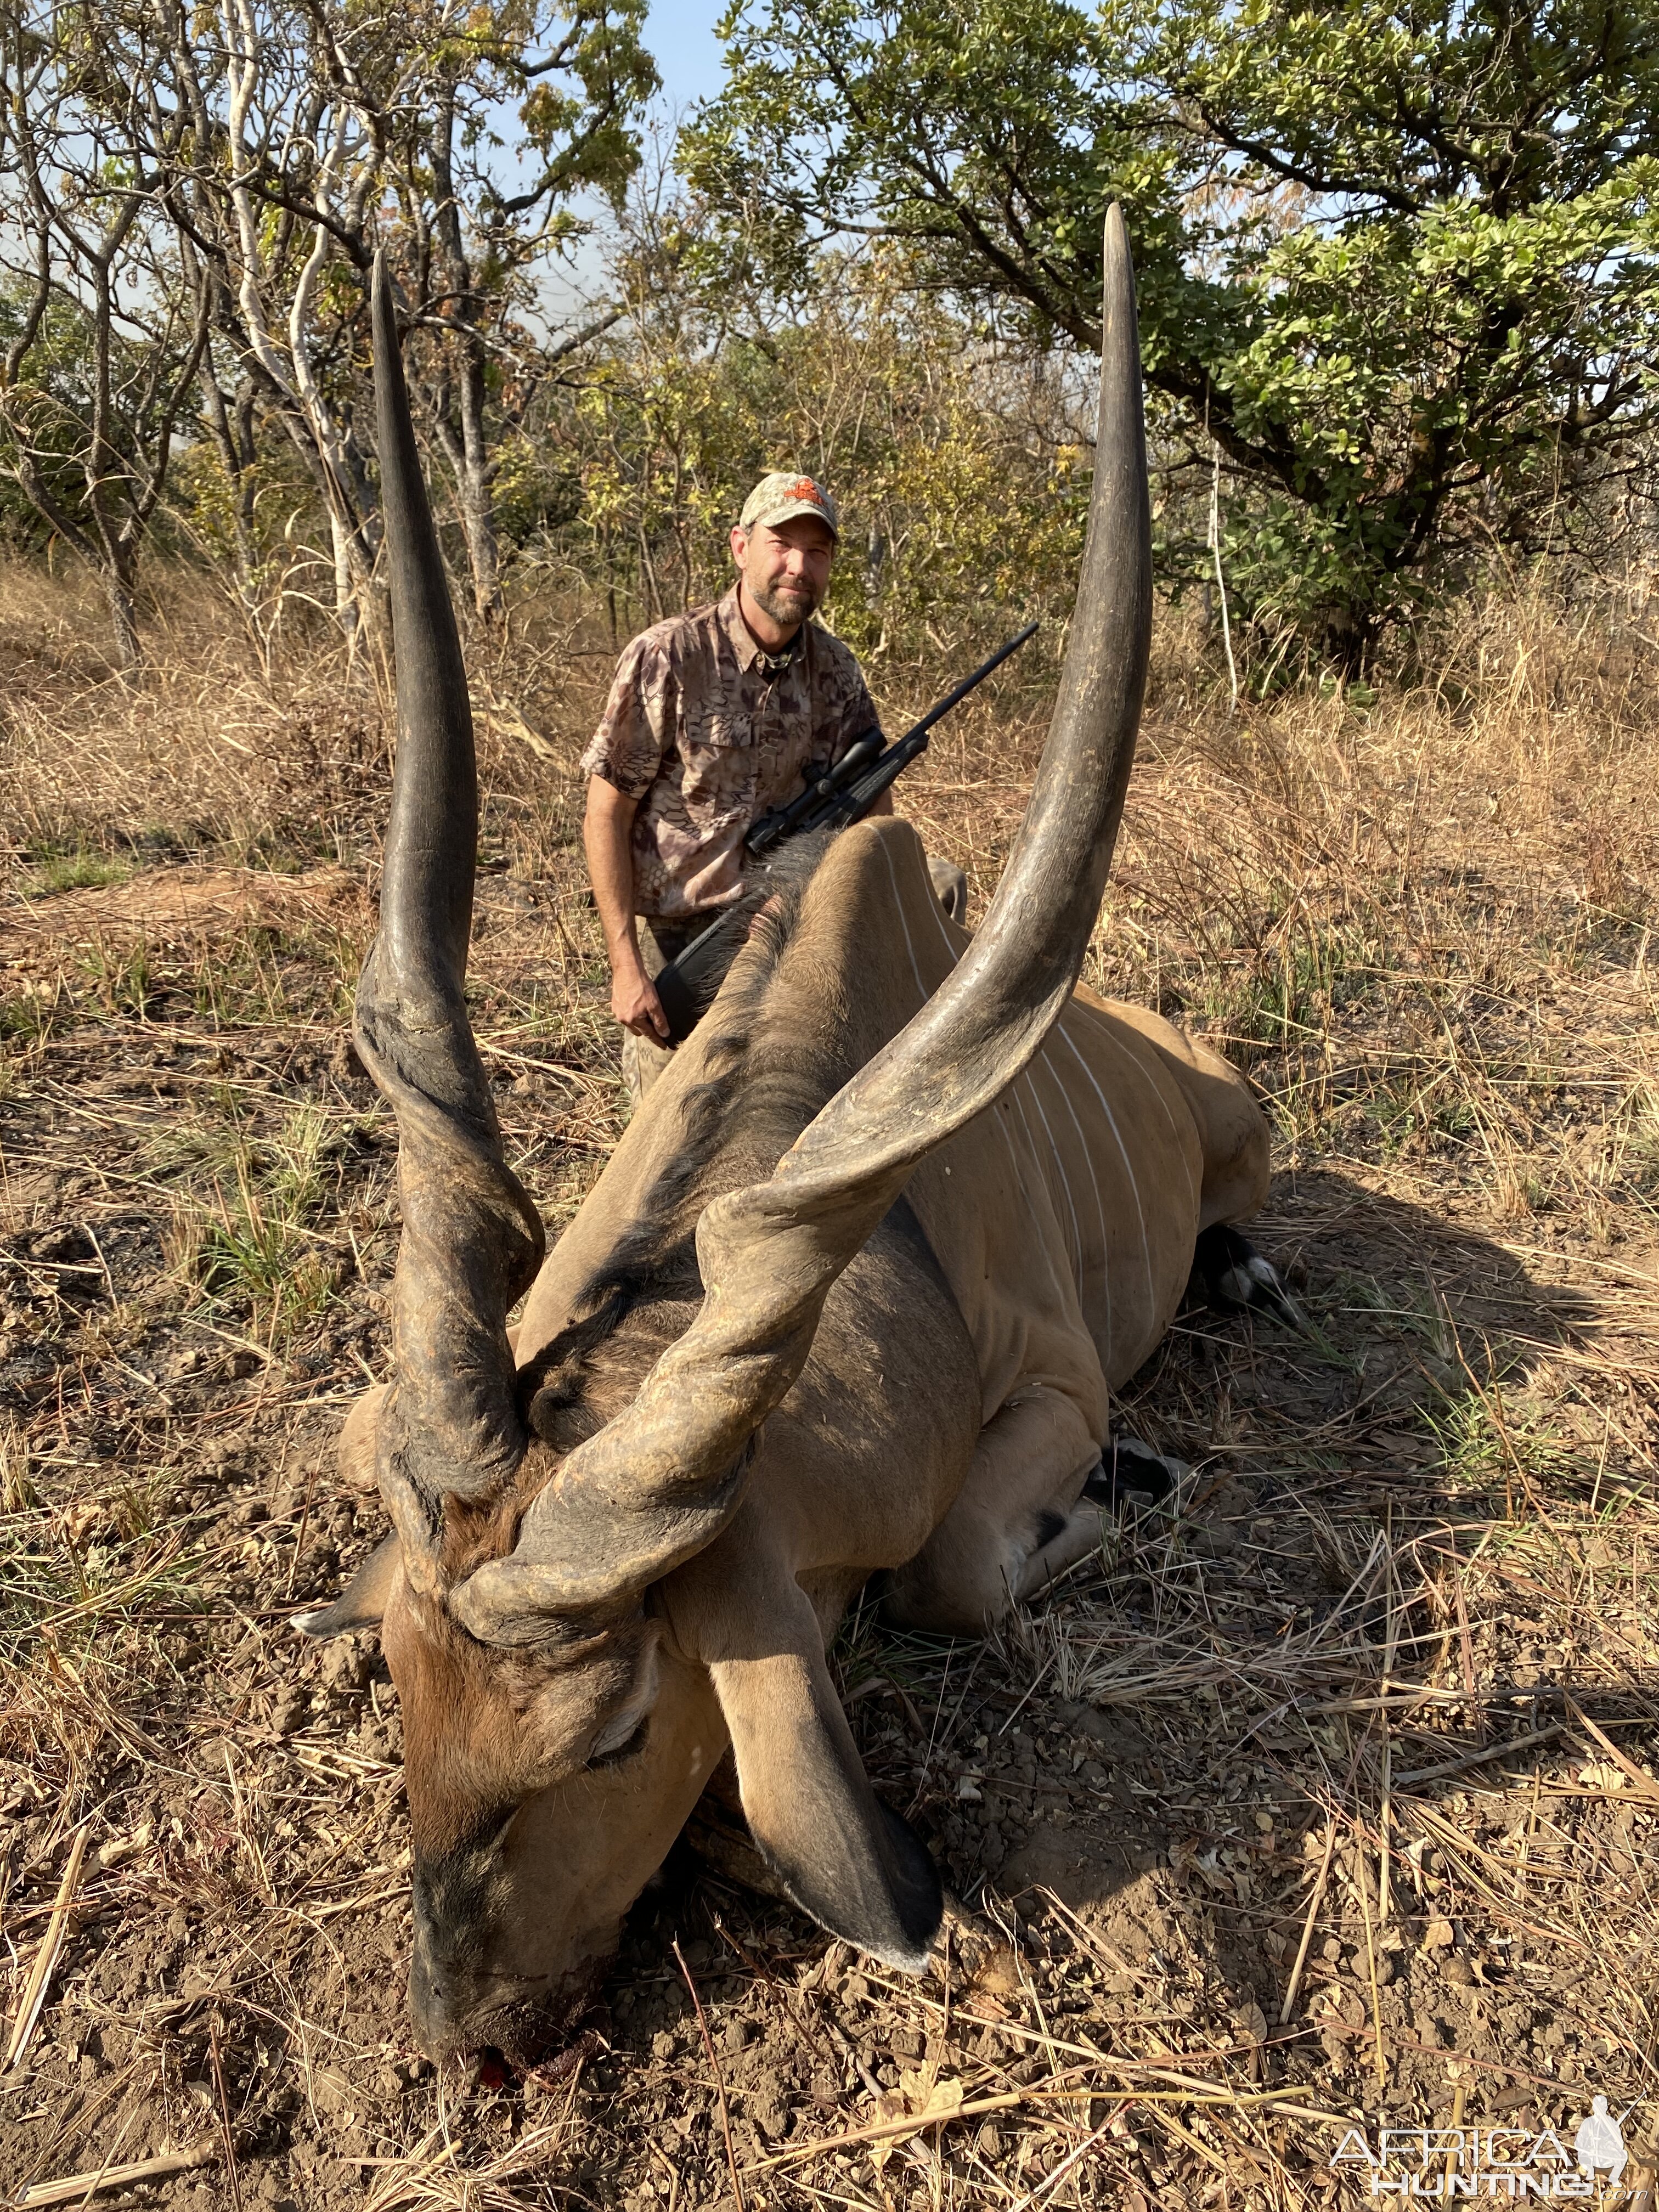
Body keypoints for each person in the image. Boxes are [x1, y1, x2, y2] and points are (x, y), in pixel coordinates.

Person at [582, 470, 890, 1102]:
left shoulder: (834, 669)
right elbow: (606, 814)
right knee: (663, 1157)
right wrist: (625, 968)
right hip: (679, 947)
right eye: (782, 544)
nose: (798, 566)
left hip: (784, 930)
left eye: (818, 551)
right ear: (741, 547)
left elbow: (873, 806)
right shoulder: (668, 656)